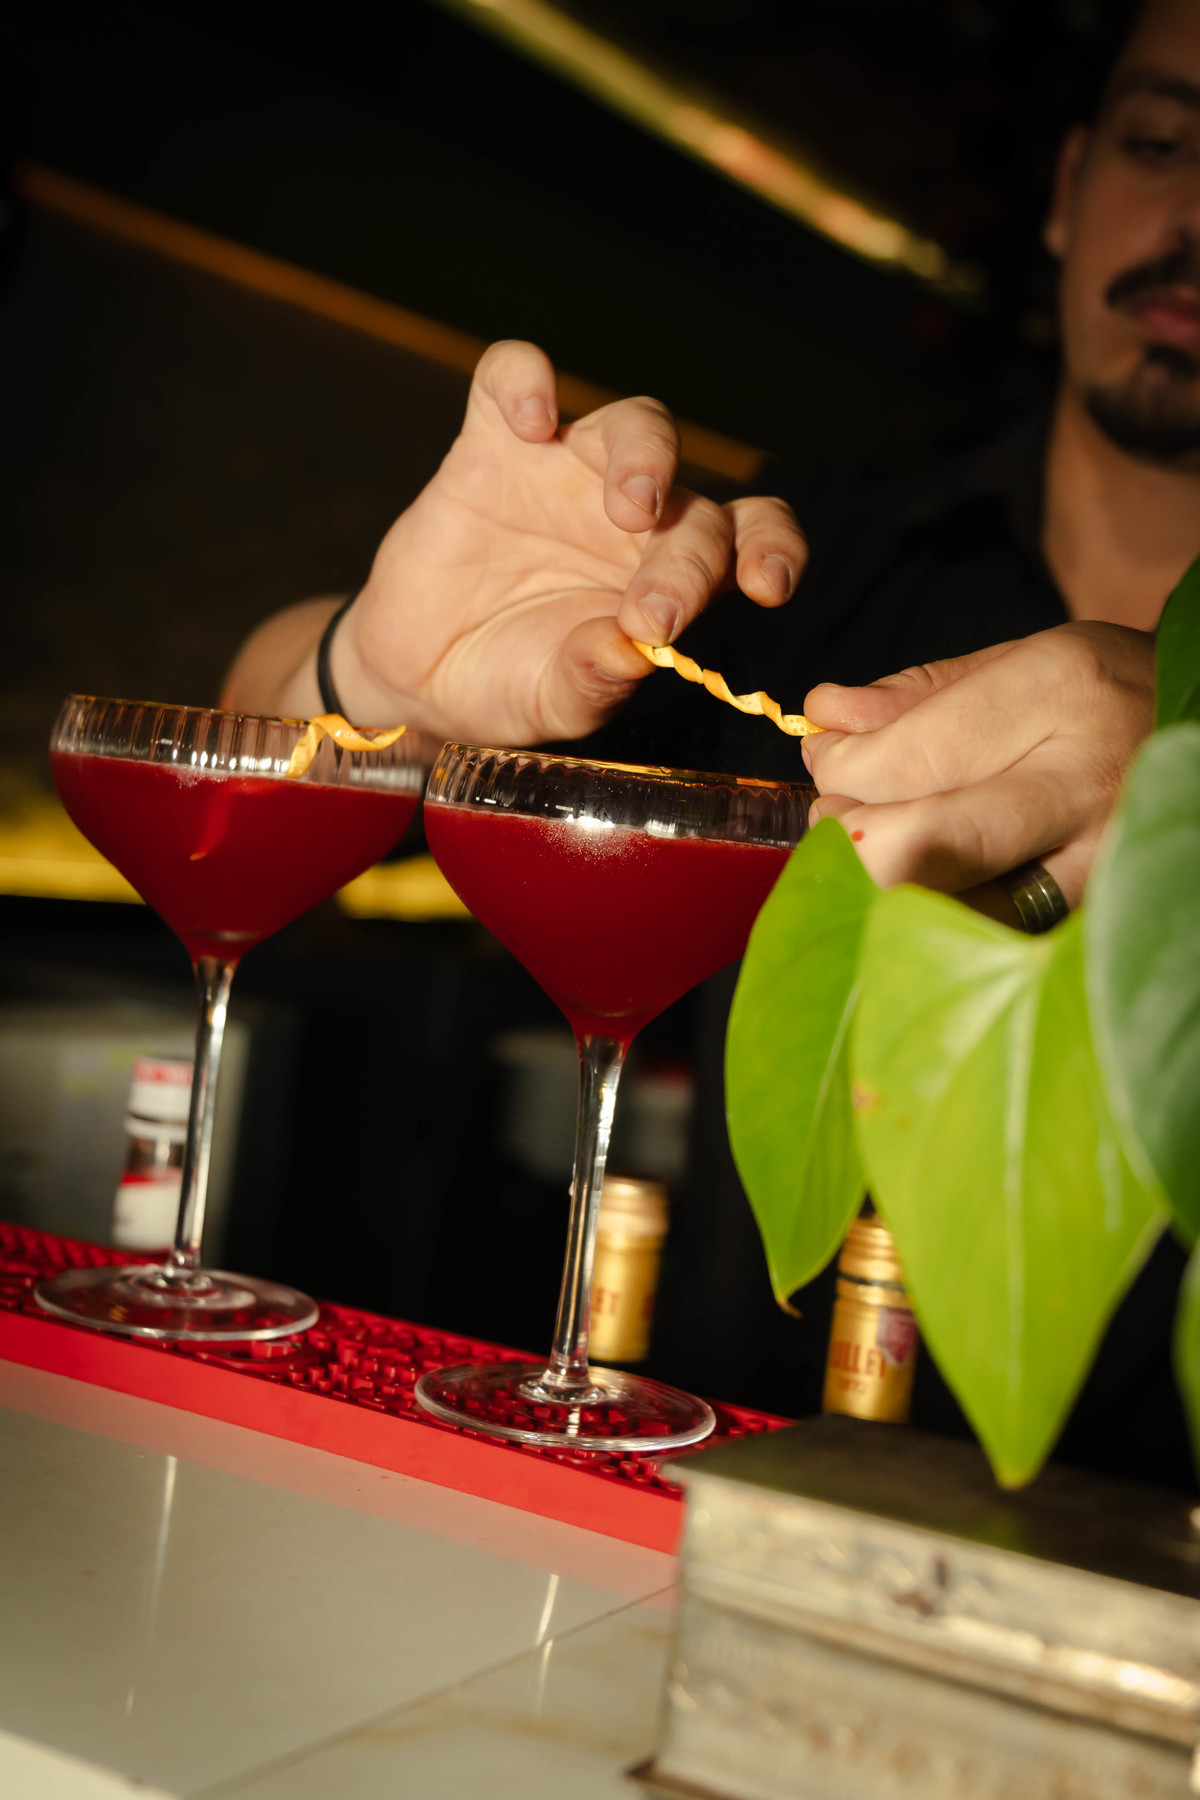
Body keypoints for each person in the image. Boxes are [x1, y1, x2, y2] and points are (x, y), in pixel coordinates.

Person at [224, 0, 1199, 1479]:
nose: (1194, 220)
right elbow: (244, 790)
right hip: (690, 1496)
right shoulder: (809, 572)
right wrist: (381, 667)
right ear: (1069, 190)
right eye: (1163, 144)